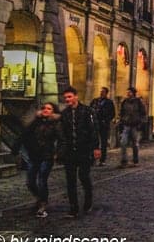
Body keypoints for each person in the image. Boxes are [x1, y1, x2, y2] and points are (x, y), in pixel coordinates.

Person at [59, 87, 100, 217]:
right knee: (70, 180)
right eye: (65, 98)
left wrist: (96, 147)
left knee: (84, 177)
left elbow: (93, 130)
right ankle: (73, 208)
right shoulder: (64, 113)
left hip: (84, 150)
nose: (67, 100)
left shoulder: (87, 111)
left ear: (76, 96)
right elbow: (62, 134)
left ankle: (88, 201)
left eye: (69, 97)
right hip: (70, 151)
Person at [20, 102, 61, 218]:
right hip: (34, 155)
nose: (46, 110)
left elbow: (61, 138)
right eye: (44, 108)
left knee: (42, 179)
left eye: (49, 109)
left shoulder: (56, 124)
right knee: (30, 181)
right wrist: (35, 117)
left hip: (47, 156)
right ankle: (39, 197)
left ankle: (43, 204)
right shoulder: (36, 122)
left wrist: (58, 153)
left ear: (53, 112)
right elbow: (26, 132)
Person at [119, 87, 146, 168]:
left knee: (135, 144)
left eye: (129, 92)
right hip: (126, 125)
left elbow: (143, 113)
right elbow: (121, 112)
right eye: (127, 92)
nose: (128, 93)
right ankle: (124, 161)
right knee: (123, 142)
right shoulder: (124, 102)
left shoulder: (138, 102)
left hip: (135, 125)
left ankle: (135, 160)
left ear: (133, 93)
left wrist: (140, 122)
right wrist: (122, 119)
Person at [90, 87, 115, 166]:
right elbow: (89, 109)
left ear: (106, 93)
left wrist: (106, 120)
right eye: (101, 91)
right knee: (94, 142)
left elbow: (112, 113)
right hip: (95, 124)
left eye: (103, 92)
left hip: (104, 125)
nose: (101, 93)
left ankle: (102, 160)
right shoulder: (95, 101)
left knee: (103, 143)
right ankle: (93, 159)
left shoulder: (109, 102)